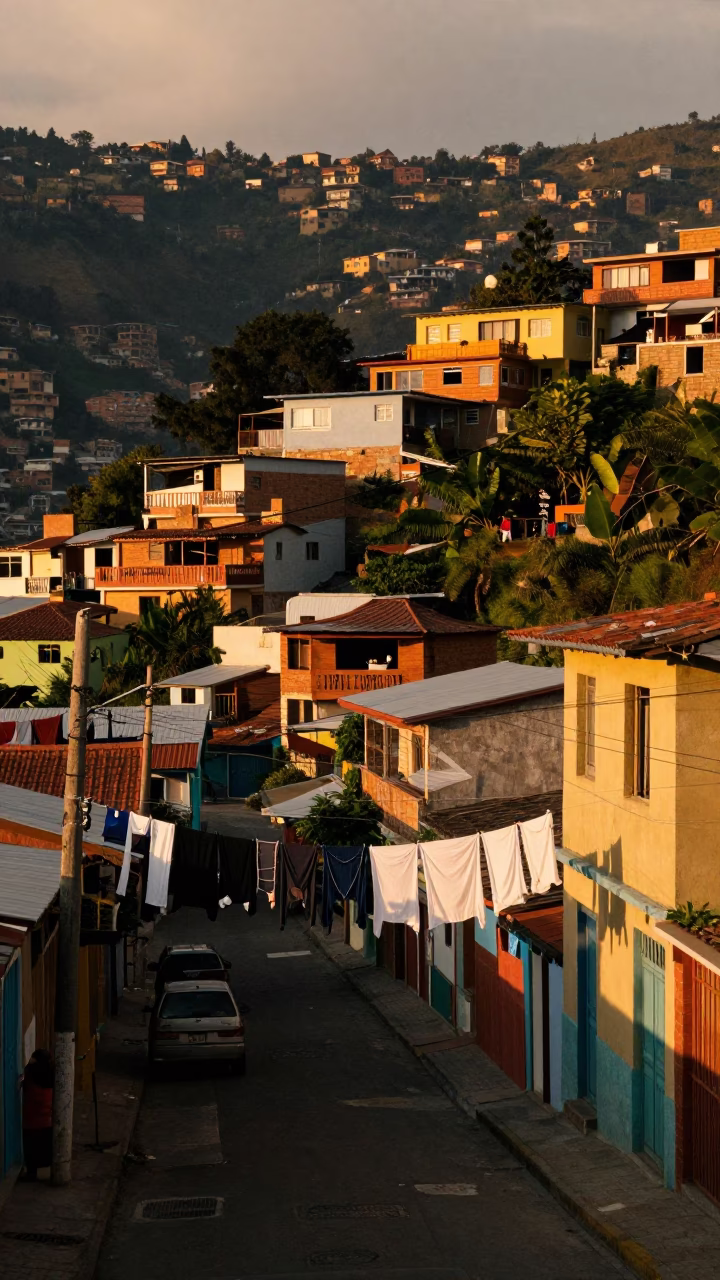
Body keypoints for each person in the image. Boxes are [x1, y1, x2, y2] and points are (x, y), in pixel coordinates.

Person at [21, 1049, 54, 1180]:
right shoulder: (50, 1073)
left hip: (32, 1117)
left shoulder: (31, 1071)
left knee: (31, 1147)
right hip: (46, 1117)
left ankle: (31, 1174)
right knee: (44, 1146)